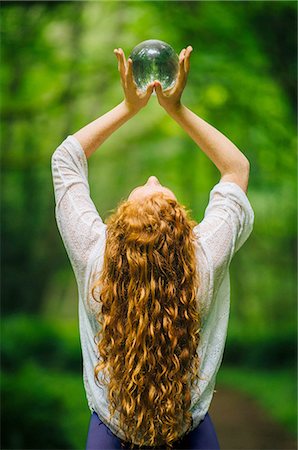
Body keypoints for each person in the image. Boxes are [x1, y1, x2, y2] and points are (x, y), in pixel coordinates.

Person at [51, 45, 254, 450]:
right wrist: (176, 107)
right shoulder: (202, 260)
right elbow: (236, 168)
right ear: (184, 229)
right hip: (190, 433)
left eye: (147, 188)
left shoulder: (96, 259)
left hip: (111, 432)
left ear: (117, 229)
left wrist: (129, 106)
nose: (153, 177)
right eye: (160, 189)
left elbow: (66, 159)